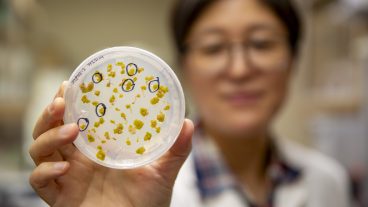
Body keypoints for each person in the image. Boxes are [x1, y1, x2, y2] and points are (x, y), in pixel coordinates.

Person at [29, 0, 350, 206]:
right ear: (182, 69)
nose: (239, 69)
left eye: (261, 43)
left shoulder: (328, 182)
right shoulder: (125, 182)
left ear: (293, 59)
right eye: (213, 47)